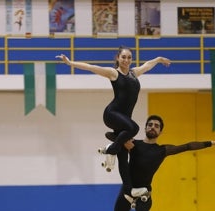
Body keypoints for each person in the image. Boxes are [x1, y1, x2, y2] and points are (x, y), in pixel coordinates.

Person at [55, 47, 171, 175]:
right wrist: (70, 63)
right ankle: (111, 148)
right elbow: (91, 67)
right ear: (118, 58)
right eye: (123, 57)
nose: (126, 60)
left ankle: (128, 190)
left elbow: (147, 65)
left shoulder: (134, 73)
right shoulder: (113, 73)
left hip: (124, 120)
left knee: (123, 155)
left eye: (129, 57)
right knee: (134, 128)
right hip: (112, 114)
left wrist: (159, 59)